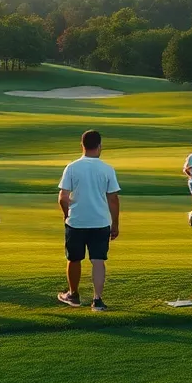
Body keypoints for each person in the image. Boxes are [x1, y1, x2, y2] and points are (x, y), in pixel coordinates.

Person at [56, 130, 121, 312]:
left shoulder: (72, 167)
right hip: (100, 222)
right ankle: (97, 300)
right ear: (100, 146)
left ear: (82, 145)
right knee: (98, 260)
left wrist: (66, 213)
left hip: (76, 222)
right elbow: (113, 199)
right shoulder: (107, 169)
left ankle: (73, 294)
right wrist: (115, 223)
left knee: (74, 259)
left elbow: (63, 197)